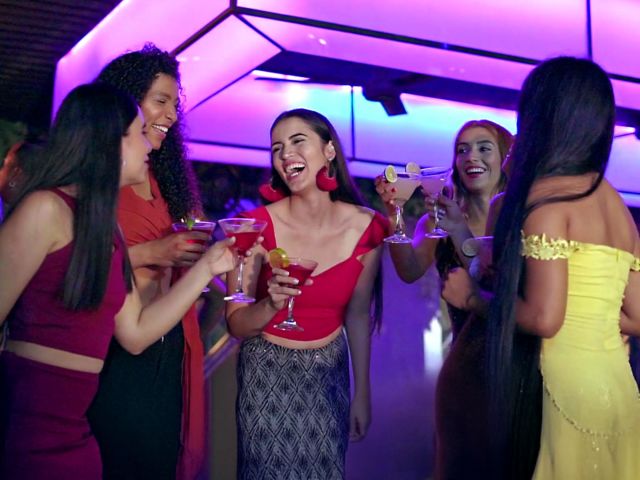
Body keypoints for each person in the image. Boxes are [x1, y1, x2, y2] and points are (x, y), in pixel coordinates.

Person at [0, 83, 237, 479]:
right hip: (26, 430)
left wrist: (207, 268)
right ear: (109, 141)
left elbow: (136, 332)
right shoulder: (45, 208)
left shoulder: (107, 229)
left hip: (77, 435)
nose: (148, 146)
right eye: (138, 133)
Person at [487, 56, 640, 479]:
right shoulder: (616, 205)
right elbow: (637, 316)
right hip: (620, 391)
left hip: (566, 393)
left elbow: (544, 318)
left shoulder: (548, 198)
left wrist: (474, 299)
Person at [226, 108, 386, 479]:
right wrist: (271, 304)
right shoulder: (253, 226)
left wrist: (362, 392)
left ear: (329, 151)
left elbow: (357, 315)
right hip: (265, 375)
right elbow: (236, 324)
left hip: (328, 375)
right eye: (276, 148)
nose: (286, 154)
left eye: (298, 141)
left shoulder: (368, 228)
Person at [86, 44, 208, 480]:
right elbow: (74, 263)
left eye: (175, 104)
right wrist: (154, 253)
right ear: (126, 101)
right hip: (114, 348)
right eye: (161, 100)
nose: (171, 114)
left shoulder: (162, 179)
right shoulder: (96, 184)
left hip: (168, 341)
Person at [375, 120, 513, 478]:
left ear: (505, 157)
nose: (471, 157)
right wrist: (394, 215)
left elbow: (500, 287)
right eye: (462, 149)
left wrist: (458, 231)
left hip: (516, 362)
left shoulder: (521, 220)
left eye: (484, 148)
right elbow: (408, 270)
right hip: (464, 365)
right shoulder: (436, 221)